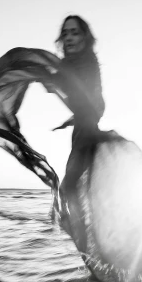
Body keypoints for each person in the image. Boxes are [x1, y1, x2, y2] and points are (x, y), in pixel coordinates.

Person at [49, 15, 106, 249]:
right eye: (66, 33)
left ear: (85, 37)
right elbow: (86, 102)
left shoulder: (86, 63)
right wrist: (73, 119)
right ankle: (91, 248)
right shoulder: (72, 65)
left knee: (69, 187)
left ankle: (87, 246)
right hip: (82, 131)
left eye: (75, 32)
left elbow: (96, 103)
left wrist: (84, 117)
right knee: (78, 191)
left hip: (88, 133)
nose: (69, 37)